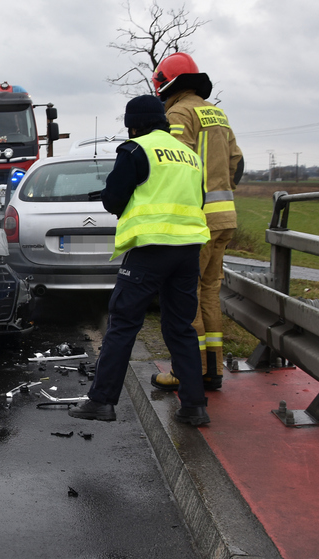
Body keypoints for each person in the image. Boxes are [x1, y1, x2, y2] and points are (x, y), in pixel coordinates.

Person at [69, 95, 212, 426]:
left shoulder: (135, 150)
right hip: (189, 249)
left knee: (122, 323)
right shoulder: (190, 156)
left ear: (133, 124)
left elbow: (114, 197)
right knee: (181, 327)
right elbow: (197, 199)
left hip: (150, 249)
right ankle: (194, 406)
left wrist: (123, 206)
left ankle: (102, 401)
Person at [149, 53, 245, 393]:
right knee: (208, 292)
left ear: (165, 83)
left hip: (195, 221)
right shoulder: (216, 112)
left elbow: (175, 162)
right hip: (224, 217)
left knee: (182, 297)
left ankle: (185, 371)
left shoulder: (178, 113)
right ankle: (211, 370)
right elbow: (237, 162)